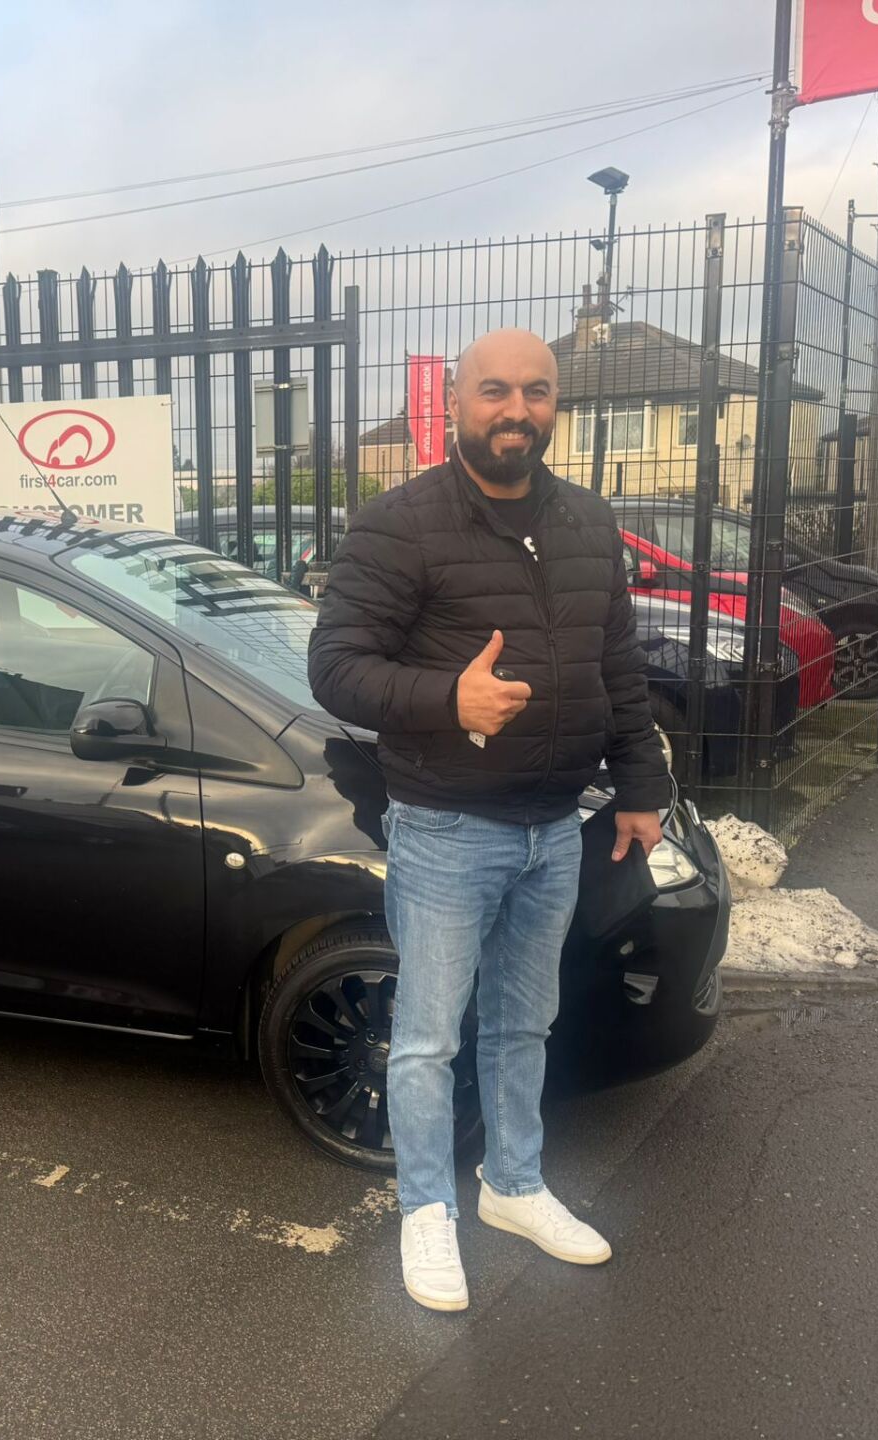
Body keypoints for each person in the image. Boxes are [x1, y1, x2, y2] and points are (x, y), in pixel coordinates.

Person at [307, 328, 668, 1313]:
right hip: (446, 828)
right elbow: (334, 667)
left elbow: (618, 670)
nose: (518, 410)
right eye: (496, 391)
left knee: (524, 1024)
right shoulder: (401, 525)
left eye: (538, 393)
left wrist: (640, 786)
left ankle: (512, 1186)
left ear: (558, 405)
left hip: (557, 825)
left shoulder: (589, 522)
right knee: (426, 1039)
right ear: (457, 401)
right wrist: (445, 701)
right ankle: (427, 1209)